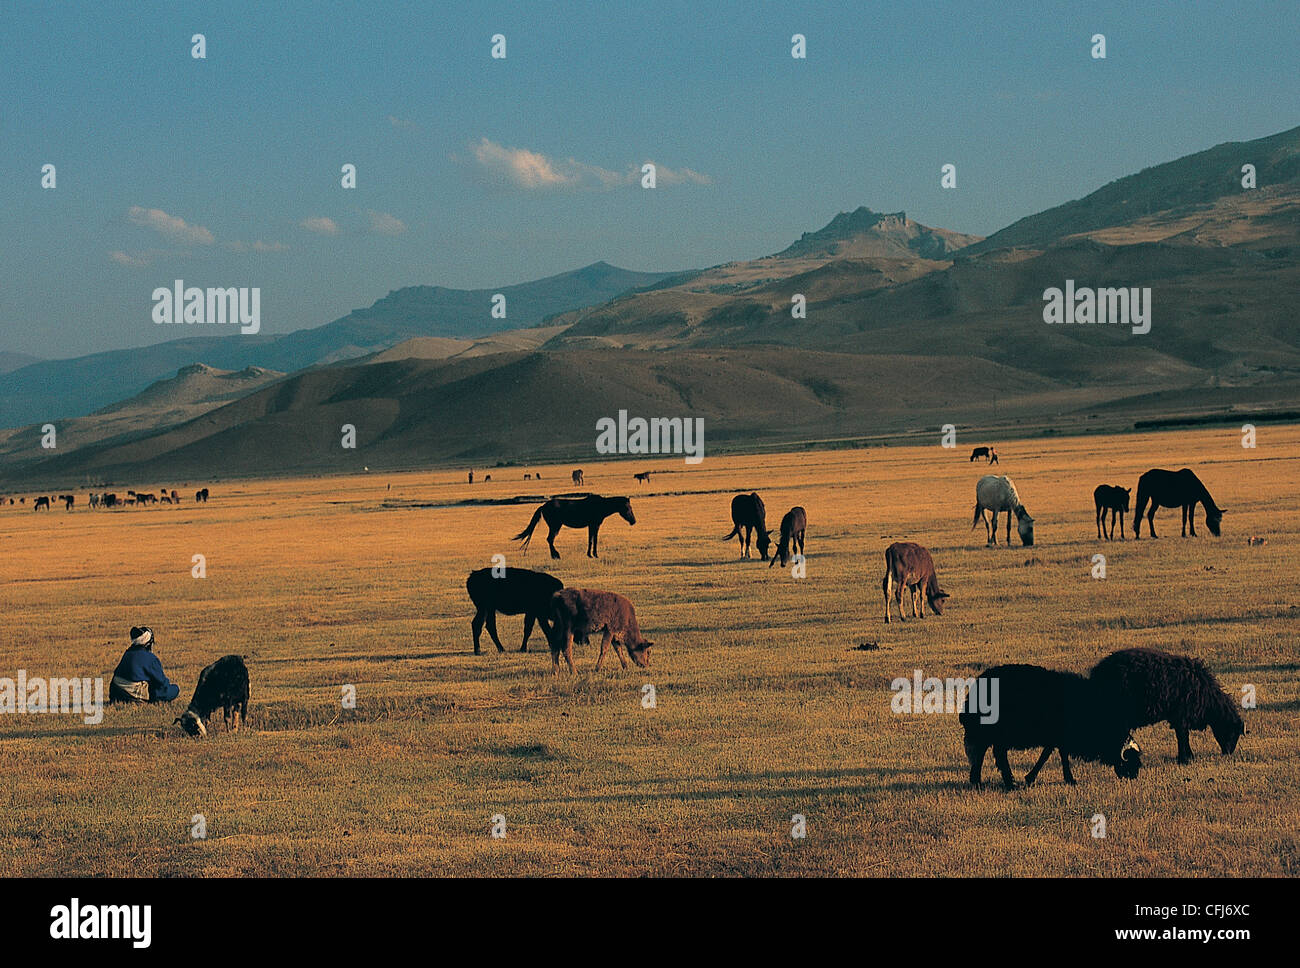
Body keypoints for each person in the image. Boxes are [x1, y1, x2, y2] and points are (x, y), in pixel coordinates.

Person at [109, 626, 180, 703]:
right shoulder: (150, 658)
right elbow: (161, 682)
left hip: (116, 693)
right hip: (133, 695)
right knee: (174, 689)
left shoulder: (127, 654)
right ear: (149, 643)